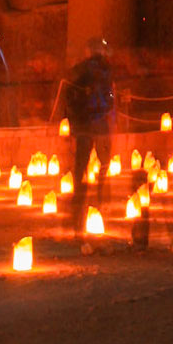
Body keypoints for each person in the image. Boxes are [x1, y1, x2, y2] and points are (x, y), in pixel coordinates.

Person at [64, 38, 115, 234]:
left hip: (85, 123)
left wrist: (74, 118)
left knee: (81, 165)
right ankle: (101, 198)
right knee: (103, 163)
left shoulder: (81, 70)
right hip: (99, 122)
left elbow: (70, 93)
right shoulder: (105, 70)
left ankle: (78, 202)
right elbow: (109, 96)